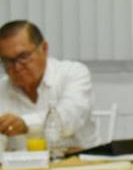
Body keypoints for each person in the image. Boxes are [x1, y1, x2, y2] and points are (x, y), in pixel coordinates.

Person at [0, 20, 99, 148]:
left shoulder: (73, 73)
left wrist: (25, 124)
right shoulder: (2, 88)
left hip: (79, 157)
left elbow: (68, 118)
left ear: (44, 48)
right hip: (20, 160)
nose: (17, 67)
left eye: (24, 56)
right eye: (8, 61)